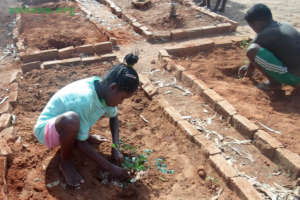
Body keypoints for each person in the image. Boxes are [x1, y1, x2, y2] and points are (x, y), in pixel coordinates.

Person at [34, 53, 139, 188]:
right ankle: (65, 162)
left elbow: (113, 117)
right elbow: (80, 144)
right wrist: (110, 168)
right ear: (113, 88)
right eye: (122, 98)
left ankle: (81, 134)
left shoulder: (103, 88)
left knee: (81, 118)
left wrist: (116, 148)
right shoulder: (84, 99)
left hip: (66, 124)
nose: (121, 103)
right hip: (47, 131)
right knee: (72, 120)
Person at [239, 4, 300, 91]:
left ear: (257, 23)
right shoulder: (285, 25)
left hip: (294, 77)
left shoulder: (264, 34)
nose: (254, 30)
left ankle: (274, 83)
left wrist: (247, 74)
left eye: (252, 26)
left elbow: (252, 54)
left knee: (252, 49)